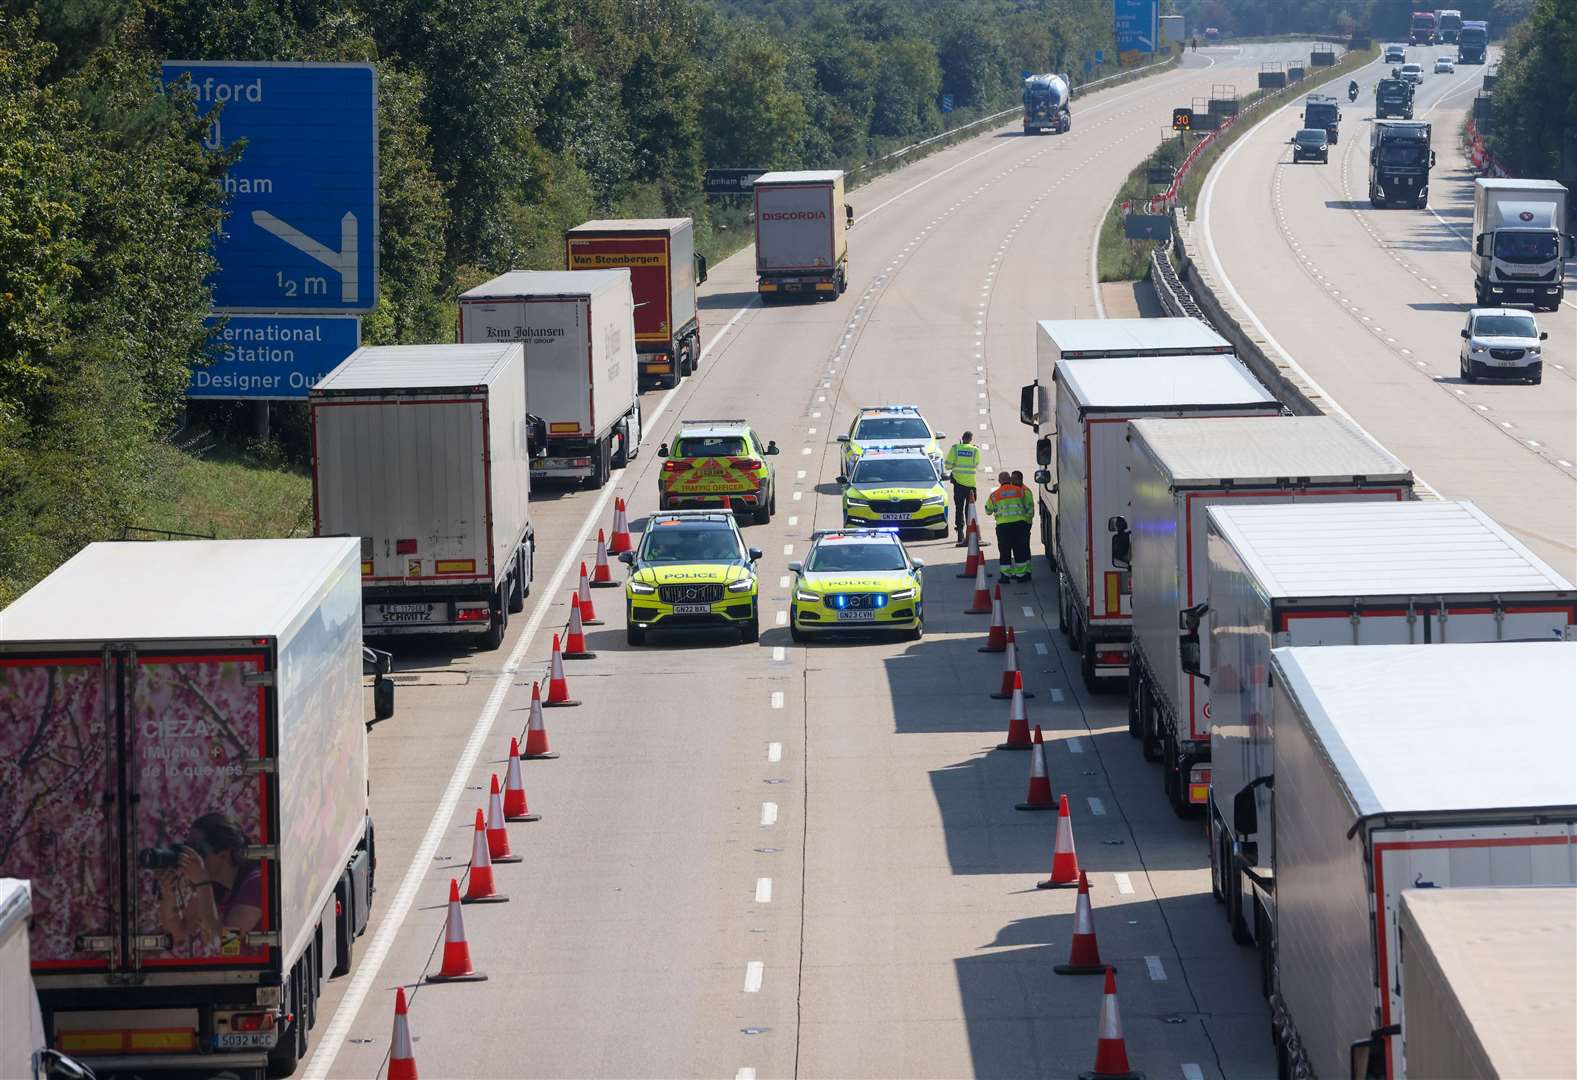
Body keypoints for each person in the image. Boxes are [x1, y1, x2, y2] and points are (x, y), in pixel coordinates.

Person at [156, 813, 263, 954]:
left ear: (224, 855)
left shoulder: (256, 883)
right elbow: (179, 933)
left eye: (198, 850)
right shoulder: (214, 888)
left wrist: (202, 882)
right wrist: (169, 897)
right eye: (189, 848)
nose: (191, 857)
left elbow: (227, 944)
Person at [985, 470, 1034, 581]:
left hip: (1003, 527)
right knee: (1019, 550)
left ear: (999, 481)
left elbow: (988, 510)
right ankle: (1021, 576)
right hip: (1019, 525)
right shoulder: (1020, 491)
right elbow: (1028, 506)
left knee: (1004, 551)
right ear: (1010, 480)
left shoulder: (994, 494)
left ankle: (1005, 576)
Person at [942, 431, 980, 545]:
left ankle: (960, 533)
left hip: (958, 484)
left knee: (959, 509)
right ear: (971, 439)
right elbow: (976, 464)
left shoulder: (955, 448)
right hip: (971, 485)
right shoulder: (975, 450)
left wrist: (955, 465)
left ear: (962, 438)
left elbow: (947, 465)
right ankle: (971, 533)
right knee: (969, 510)